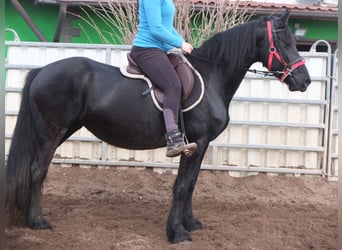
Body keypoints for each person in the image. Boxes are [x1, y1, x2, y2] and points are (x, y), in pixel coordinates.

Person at [130, 0, 197, 157]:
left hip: (159, 50)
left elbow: (167, 27)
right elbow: (156, 28)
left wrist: (183, 42)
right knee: (173, 85)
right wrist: (179, 43)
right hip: (146, 49)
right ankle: (173, 137)